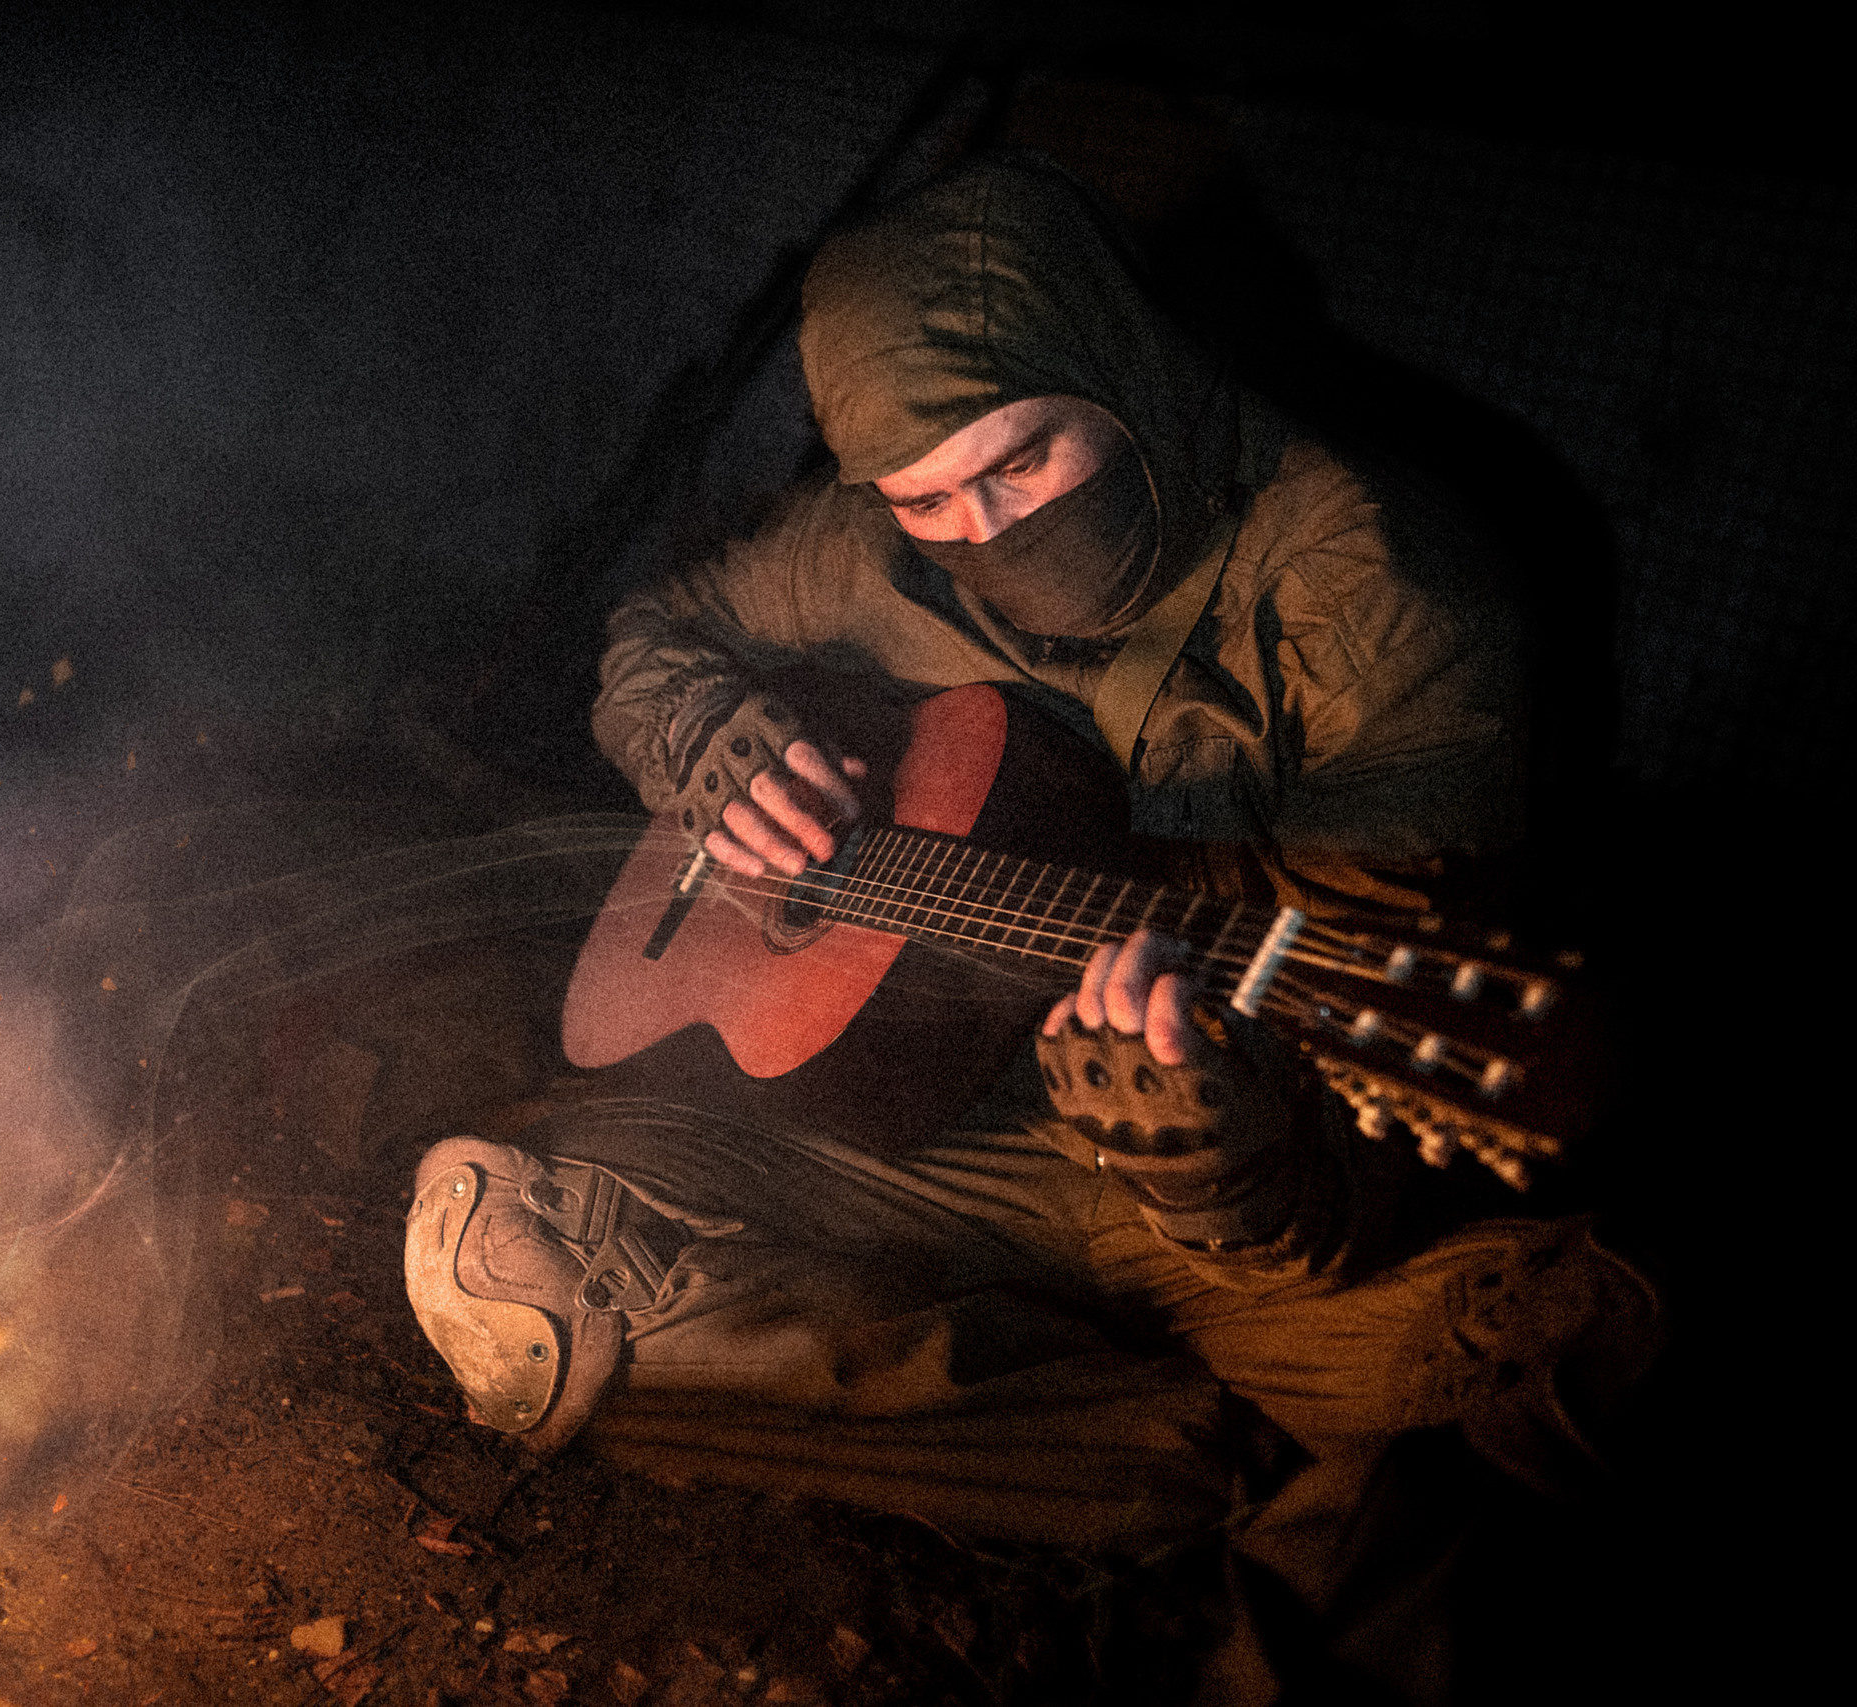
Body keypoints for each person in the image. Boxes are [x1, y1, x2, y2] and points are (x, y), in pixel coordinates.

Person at [402, 153, 1657, 1702]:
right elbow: (655, 638)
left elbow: (1374, 1153)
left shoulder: (1383, 604)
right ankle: (1187, 1460)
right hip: (935, 1121)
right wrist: (704, 739)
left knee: (1577, 1347)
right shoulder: (865, 547)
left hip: (1255, 1193)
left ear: (1113, 368)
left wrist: (1221, 1154)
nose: (980, 529)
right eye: (927, 500)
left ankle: (1179, 1441)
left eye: (1024, 465)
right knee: (506, 1269)